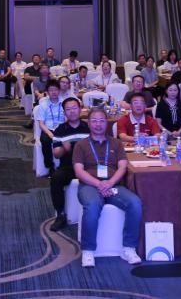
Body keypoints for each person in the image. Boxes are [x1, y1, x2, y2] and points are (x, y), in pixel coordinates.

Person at [72, 107, 143, 267]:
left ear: (107, 123)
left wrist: (109, 183)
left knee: (135, 203)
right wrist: (99, 184)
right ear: (88, 123)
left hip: (113, 184)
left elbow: (122, 167)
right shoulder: (81, 145)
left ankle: (129, 248)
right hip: (89, 185)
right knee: (92, 205)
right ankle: (88, 250)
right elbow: (79, 171)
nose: (98, 124)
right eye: (94, 121)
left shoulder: (116, 143)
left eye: (102, 121)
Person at [48, 97, 90, 231]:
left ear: (80, 109)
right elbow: (56, 154)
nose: (72, 111)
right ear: (64, 112)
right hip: (68, 166)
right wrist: (64, 149)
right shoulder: (60, 130)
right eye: (68, 109)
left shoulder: (88, 127)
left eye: (74, 108)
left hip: (88, 166)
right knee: (56, 178)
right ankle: (60, 215)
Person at [35, 80, 67, 170]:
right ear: (47, 92)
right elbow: (41, 124)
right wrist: (50, 133)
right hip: (48, 129)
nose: (54, 92)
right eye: (51, 90)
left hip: (62, 128)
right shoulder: (43, 105)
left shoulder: (64, 103)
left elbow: (67, 119)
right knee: (45, 140)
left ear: (59, 91)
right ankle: (50, 166)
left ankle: (65, 165)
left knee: (70, 140)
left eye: (56, 90)